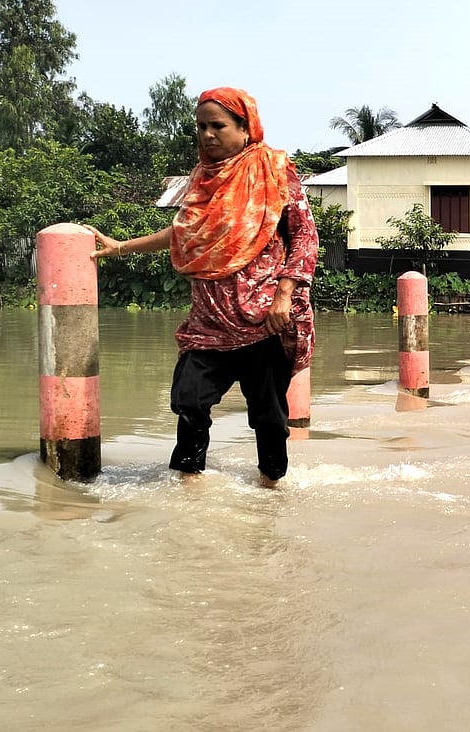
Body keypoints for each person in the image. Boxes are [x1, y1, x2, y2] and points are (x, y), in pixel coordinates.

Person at [86, 87, 318, 488]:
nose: (207, 134)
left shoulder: (274, 170)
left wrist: (285, 294)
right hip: (209, 322)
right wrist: (120, 247)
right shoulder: (201, 179)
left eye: (218, 126)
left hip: (263, 319)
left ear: (245, 128)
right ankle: (189, 486)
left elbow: (304, 236)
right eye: (200, 126)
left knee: (268, 415)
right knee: (189, 400)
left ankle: (271, 488)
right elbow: (182, 233)